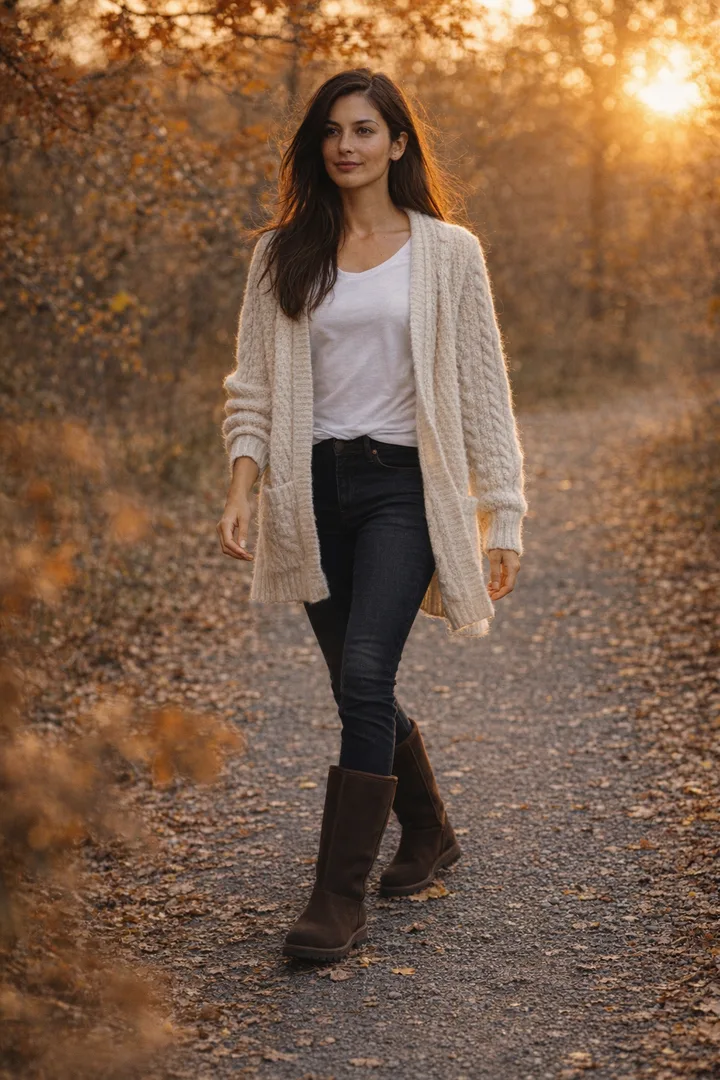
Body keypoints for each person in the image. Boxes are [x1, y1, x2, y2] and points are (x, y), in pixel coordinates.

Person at [216, 68, 527, 962]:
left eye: (363, 130)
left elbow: (482, 392)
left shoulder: (448, 251)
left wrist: (500, 514)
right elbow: (255, 385)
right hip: (308, 492)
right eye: (331, 131)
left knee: (361, 678)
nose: (345, 146)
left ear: (398, 143)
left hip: (402, 490)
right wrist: (242, 484)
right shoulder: (282, 253)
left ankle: (336, 899)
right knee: (360, 685)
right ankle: (428, 833)